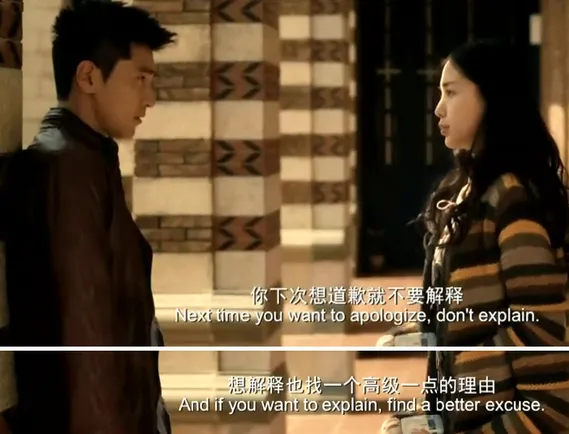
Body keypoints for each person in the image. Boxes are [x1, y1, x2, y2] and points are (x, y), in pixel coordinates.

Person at [0, 2, 176, 433]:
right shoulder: (67, 171)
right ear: (89, 77)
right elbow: (86, 348)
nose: (150, 98)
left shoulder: (89, 160)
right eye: (139, 79)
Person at [379, 40, 569, 433]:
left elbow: (541, 338)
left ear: (491, 97)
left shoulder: (512, 199)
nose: (438, 109)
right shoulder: (467, 193)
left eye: (451, 93)